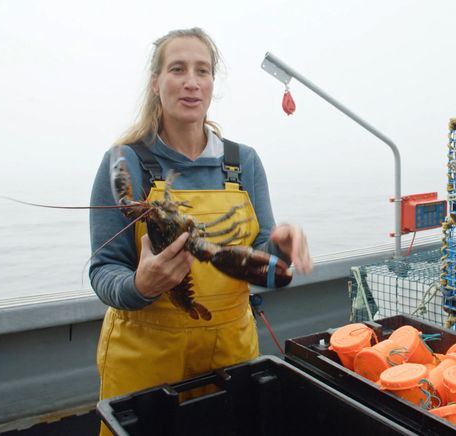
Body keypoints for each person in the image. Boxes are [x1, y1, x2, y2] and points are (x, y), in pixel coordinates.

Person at [89, 27, 312, 434]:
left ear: (212, 84)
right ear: (156, 83)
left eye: (202, 71)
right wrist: (141, 285)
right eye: (178, 69)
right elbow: (103, 269)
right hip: (145, 359)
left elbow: (265, 265)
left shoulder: (243, 162)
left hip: (231, 352)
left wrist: (278, 247)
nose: (191, 82)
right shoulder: (125, 160)